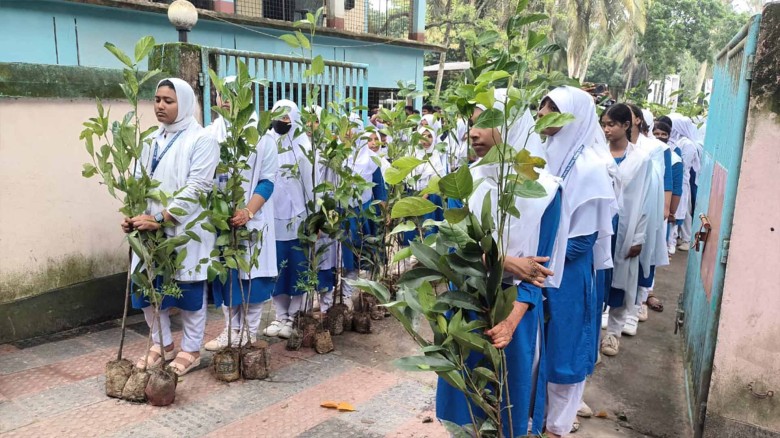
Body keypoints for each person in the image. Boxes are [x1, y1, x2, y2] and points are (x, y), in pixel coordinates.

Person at [436, 89, 562, 436]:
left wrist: (510, 322)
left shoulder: (545, 191)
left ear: (513, 125)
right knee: (465, 402)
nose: (473, 133)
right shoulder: (466, 182)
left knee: (508, 404)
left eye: (485, 123)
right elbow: (453, 251)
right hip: (466, 306)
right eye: (472, 124)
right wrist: (507, 262)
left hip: (514, 315)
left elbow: (539, 271)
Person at [123, 78, 219, 376]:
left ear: (186, 104)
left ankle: (191, 349)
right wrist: (135, 215)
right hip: (149, 228)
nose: (160, 106)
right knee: (147, 289)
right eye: (157, 99)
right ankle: (161, 343)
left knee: (188, 291)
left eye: (169, 101)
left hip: (184, 229)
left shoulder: (202, 139)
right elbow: (137, 182)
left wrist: (162, 218)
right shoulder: (151, 139)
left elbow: (198, 186)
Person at [536, 86, 617, 438]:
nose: (541, 113)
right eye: (541, 106)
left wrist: (538, 261)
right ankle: (538, 416)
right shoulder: (541, 153)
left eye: (553, 108)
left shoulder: (591, 167)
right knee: (540, 344)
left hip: (565, 271)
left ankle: (558, 424)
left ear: (576, 116)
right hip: (537, 266)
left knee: (565, 347)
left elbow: (583, 240)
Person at [203, 77, 279, 351]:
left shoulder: (262, 137)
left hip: (252, 218)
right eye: (222, 94)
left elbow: (268, 180)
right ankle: (230, 330)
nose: (225, 100)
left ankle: (249, 330)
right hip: (221, 219)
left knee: (252, 276)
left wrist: (248, 211)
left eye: (233, 95)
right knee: (227, 276)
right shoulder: (209, 134)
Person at [599, 104, 653, 356]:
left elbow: (644, 201)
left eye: (612, 124)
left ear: (626, 126)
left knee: (622, 284)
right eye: (604, 124)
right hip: (599, 228)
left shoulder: (641, 160)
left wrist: (639, 236)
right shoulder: (597, 154)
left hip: (626, 228)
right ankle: (591, 334)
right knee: (598, 279)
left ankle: (613, 334)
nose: (607, 129)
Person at [263, 99, 315, 339]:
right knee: (277, 271)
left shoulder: (303, 147)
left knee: (297, 271)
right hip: (271, 218)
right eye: (278, 116)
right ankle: (280, 316)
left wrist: (315, 218)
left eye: (286, 118)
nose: (281, 122)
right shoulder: (266, 143)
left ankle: (294, 317)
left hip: (298, 219)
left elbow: (312, 187)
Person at [340, 123, 388, 305]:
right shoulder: (340, 158)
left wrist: (383, 215)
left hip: (366, 212)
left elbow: (380, 189)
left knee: (367, 253)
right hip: (345, 213)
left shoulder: (371, 160)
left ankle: (367, 294)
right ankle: (346, 295)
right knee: (349, 257)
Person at [402, 114, 446, 245]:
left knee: (428, 229)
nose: (425, 140)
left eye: (430, 136)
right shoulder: (411, 152)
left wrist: (424, 196)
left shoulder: (436, 155)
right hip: (412, 195)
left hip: (430, 197)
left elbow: (437, 178)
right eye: (423, 136)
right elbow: (405, 175)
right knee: (412, 228)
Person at [667, 113, 701, 252]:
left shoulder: (688, 144)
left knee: (684, 211)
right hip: (679, 180)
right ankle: (678, 237)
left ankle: (687, 238)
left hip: (683, 181)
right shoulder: (677, 141)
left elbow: (685, 165)